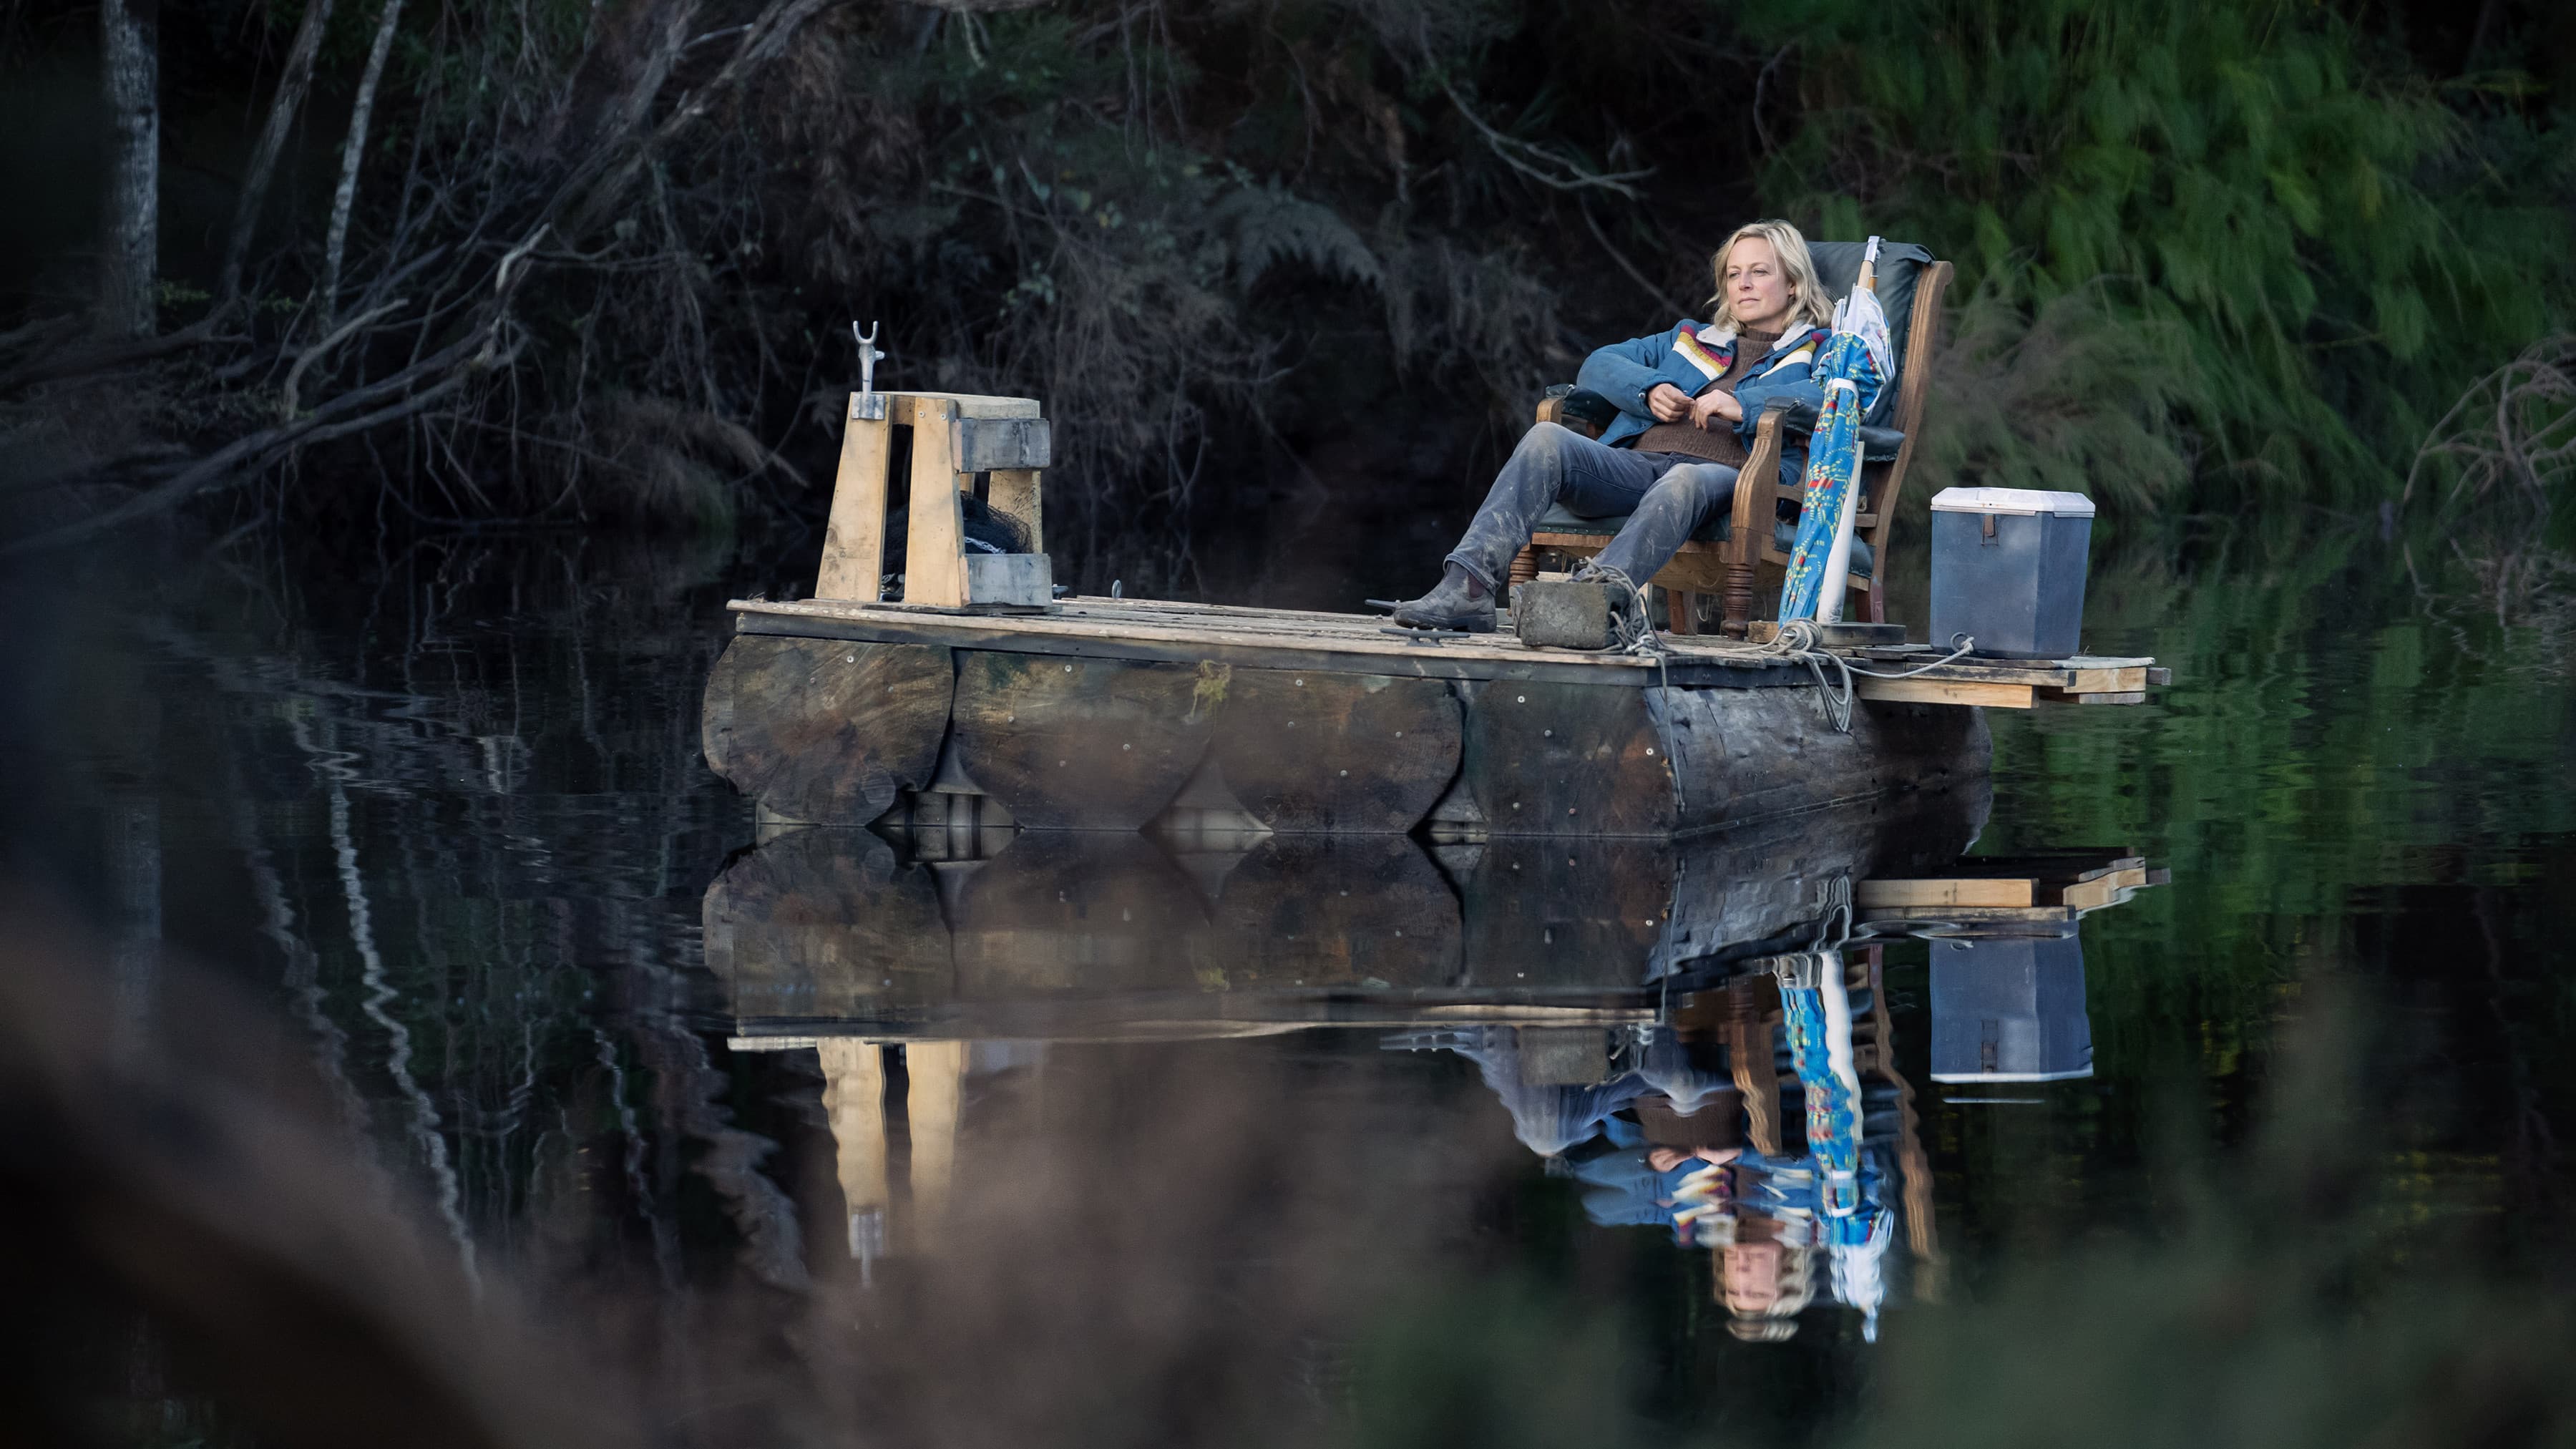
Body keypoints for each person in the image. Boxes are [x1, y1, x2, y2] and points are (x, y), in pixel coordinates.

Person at [1382, 218, 1835, 632]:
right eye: (1734, 274)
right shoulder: (1690, 339)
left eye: (1759, 272)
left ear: (1794, 284)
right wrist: (1650, 387)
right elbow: (1599, 365)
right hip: (1638, 467)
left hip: (1734, 480)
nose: (1744, 284)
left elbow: (1841, 401)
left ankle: (1591, 600)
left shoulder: (1823, 349)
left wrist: (1745, 405)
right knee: (1546, 438)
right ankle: (1469, 590)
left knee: (1684, 477)